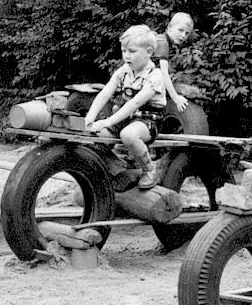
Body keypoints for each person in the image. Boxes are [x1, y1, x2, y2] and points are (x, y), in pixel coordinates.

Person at [84, 25, 167, 190]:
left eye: (132, 51)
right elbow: (105, 93)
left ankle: (149, 169)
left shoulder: (155, 75)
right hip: (125, 118)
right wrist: (90, 118)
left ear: (149, 52)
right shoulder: (124, 71)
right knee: (94, 133)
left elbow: (135, 103)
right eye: (124, 51)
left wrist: (108, 121)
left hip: (147, 120)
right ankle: (118, 168)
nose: (126, 56)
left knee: (128, 135)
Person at [154, 12, 195, 113]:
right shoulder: (162, 42)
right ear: (170, 27)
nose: (183, 36)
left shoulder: (165, 41)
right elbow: (164, 74)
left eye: (187, 33)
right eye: (180, 30)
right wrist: (176, 99)